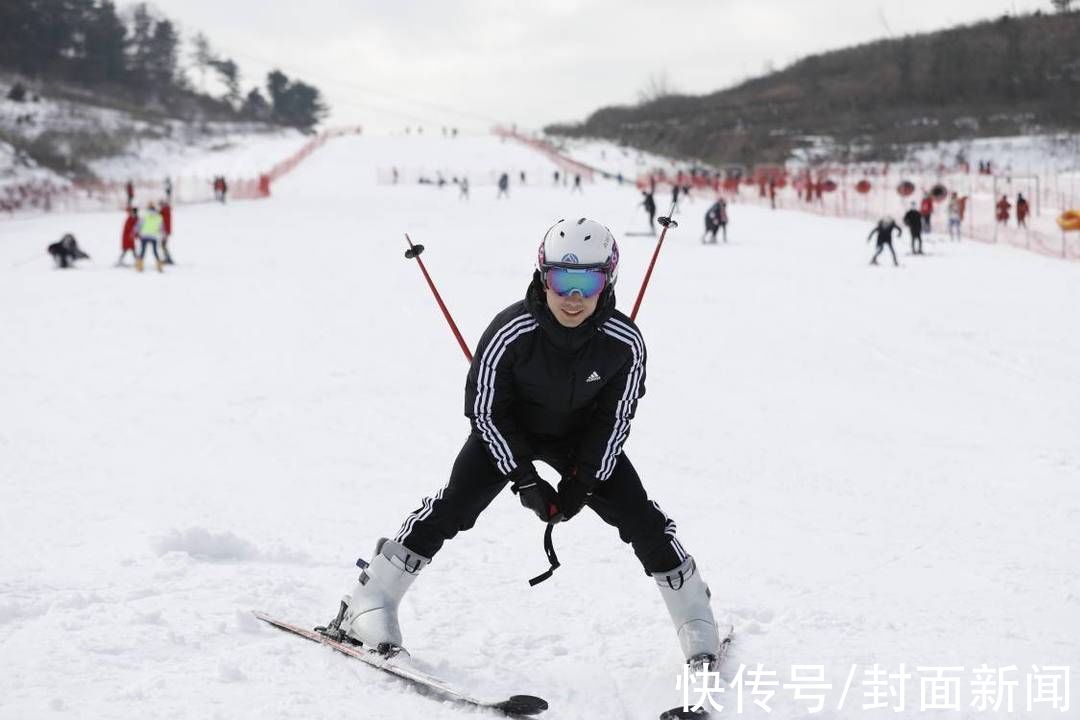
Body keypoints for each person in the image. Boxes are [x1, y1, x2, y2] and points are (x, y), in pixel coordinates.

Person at [319, 218, 726, 674]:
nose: (573, 298)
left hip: (580, 438)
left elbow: (615, 420)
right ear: (542, 276)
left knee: (639, 516)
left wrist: (582, 480)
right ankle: (372, 597)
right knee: (455, 505)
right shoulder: (510, 332)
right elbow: (485, 412)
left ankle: (693, 612)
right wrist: (525, 480)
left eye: (587, 282)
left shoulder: (624, 342)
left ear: (607, 280)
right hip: (510, 431)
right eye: (561, 280)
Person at [136, 202, 165, 273]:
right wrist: (163, 235)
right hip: (154, 236)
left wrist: (136, 232)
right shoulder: (159, 217)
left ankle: (140, 266)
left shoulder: (144, 216)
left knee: (143, 251)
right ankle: (159, 266)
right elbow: (161, 228)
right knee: (155, 251)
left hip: (144, 236)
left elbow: (138, 225)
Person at [160, 199, 174, 264]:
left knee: (163, 245)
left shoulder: (164, 210)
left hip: (165, 231)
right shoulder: (167, 210)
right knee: (163, 245)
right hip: (166, 231)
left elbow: (159, 214)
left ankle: (168, 258)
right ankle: (167, 258)